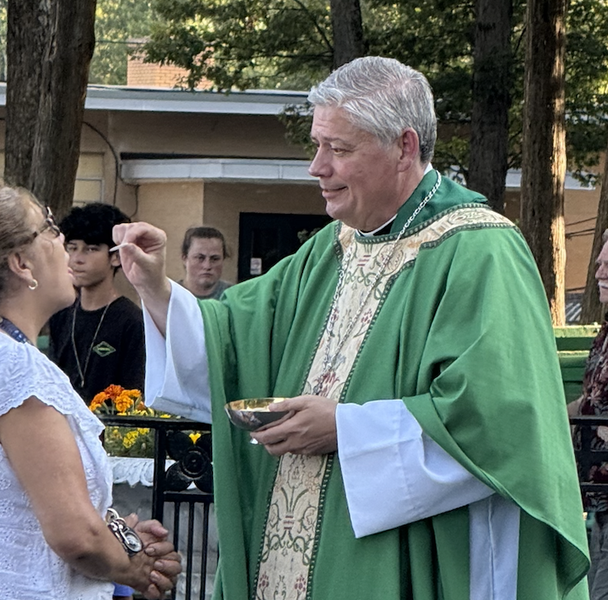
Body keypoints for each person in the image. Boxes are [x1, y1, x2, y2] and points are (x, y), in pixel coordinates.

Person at [113, 56, 589, 599]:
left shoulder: (480, 250)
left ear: (404, 147)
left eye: (338, 149)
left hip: (404, 552)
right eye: (317, 146)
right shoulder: (330, 248)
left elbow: (501, 417)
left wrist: (349, 429)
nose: (317, 167)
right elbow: (231, 334)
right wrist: (154, 286)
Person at [0, 185, 180, 600]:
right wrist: (136, 568)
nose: (63, 240)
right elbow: (75, 536)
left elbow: (5, 506)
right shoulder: (12, 369)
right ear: (21, 264)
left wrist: (118, 535)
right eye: (48, 227)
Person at [48, 203, 145, 405]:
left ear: (116, 257)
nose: (77, 259)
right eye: (72, 248)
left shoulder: (132, 321)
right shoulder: (61, 314)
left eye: (91, 249)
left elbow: (135, 394)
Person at [570, 230, 608, 599]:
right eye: (600, 263)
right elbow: (588, 401)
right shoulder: (605, 334)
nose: (599, 271)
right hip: (596, 498)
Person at [179, 226, 232, 300]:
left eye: (215, 259)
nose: (207, 266)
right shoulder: (171, 296)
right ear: (185, 258)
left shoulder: (234, 298)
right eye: (200, 258)